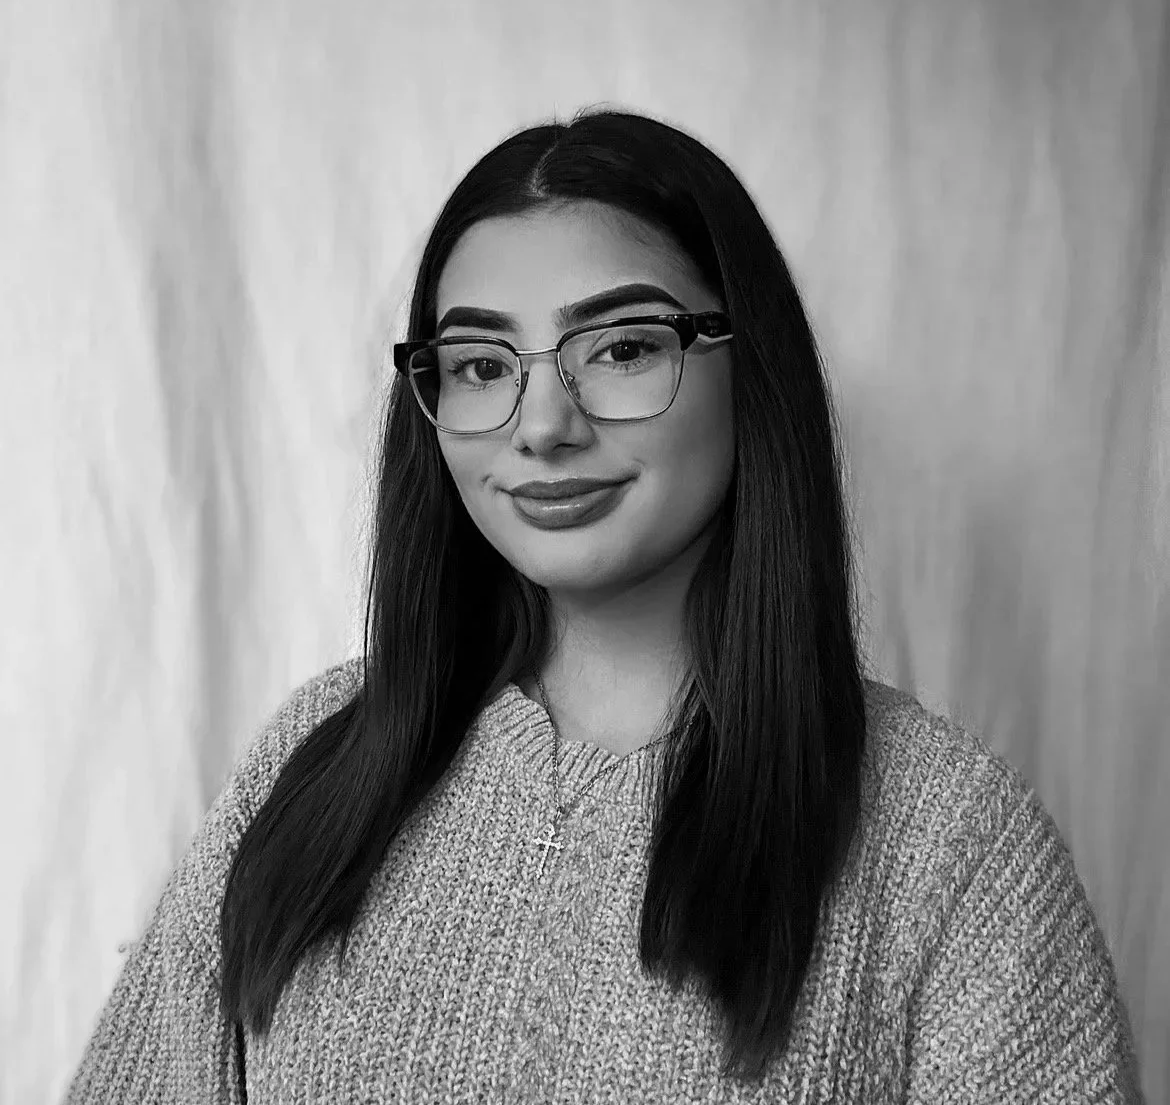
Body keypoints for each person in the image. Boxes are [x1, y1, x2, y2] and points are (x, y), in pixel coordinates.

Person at [66, 109, 1144, 1103]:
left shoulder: (951, 839)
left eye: (623, 347)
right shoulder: (317, 762)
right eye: (482, 362)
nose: (542, 424)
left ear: (746, 364)